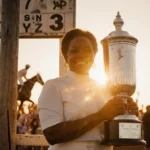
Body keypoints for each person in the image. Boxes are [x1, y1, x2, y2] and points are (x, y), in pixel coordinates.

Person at [38, 28, 138, 150]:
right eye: (74, 51)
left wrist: (128, 116)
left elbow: (117, 137)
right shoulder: (54, 86)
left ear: (94, 55)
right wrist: (101, 115)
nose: (81, 55)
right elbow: (52, 134)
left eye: (87, 50)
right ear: (66, 56)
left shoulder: (107, 89)